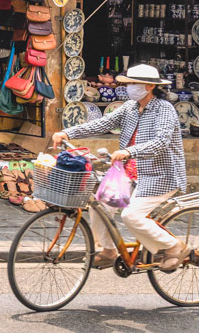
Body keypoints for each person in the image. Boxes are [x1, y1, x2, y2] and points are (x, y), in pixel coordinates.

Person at [50, 63, 188, 272]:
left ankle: (174, 246)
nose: (130, 87)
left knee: (131, 216)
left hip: (160, 176)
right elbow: (102, 124)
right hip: (128, 173)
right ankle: (108, 250)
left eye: (134, 83)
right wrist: (68, 133)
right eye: (129, 83)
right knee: (100, 205)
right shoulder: (130, 108)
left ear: (149, 86)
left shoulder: (164, 110)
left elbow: (161, 141)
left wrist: (130, 152)